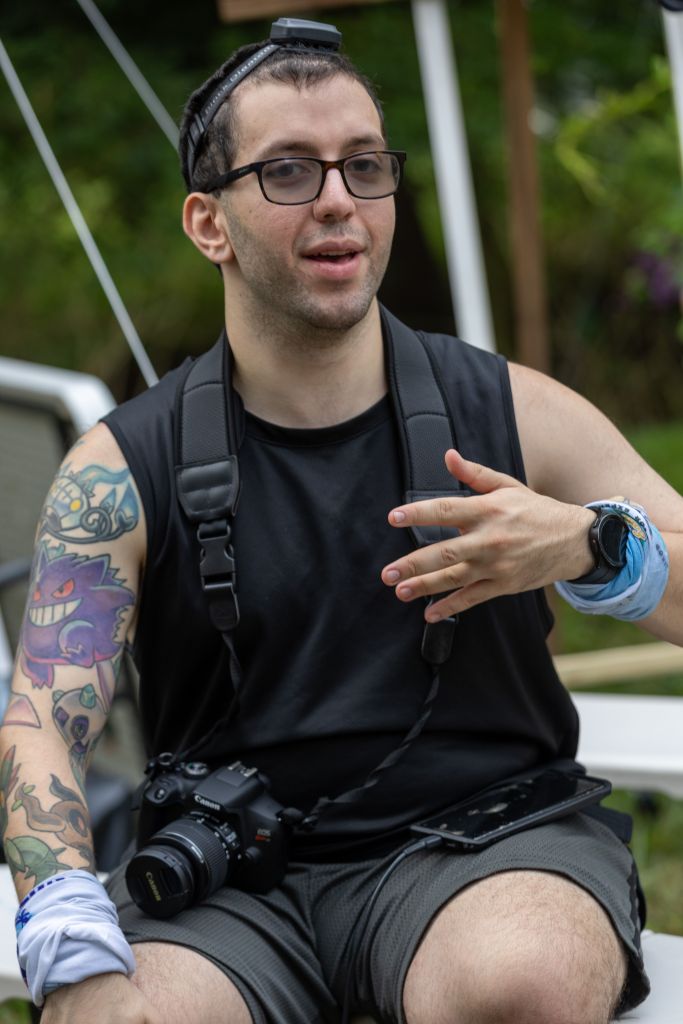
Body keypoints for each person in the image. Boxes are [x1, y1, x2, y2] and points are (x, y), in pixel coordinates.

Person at [2, 19, 682, 1024]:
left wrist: (589, 545)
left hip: (484, 848)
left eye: (364, 165)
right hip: (227, 886)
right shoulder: (119, 469)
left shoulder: (508, 409)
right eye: (287, 171)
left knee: (520, 980)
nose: (337, 200)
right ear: (208, 223)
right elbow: (42, 727)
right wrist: (58, 906)